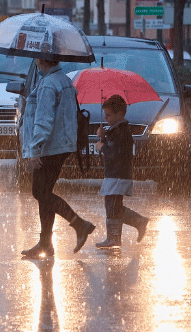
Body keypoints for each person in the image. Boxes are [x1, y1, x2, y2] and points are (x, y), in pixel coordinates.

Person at [19, 57, 96, 258]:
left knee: (40, 192)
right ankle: (45, 244)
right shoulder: (63, 80)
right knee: (44, 193)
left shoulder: (48, 84)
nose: (35, 61)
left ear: (41, 60)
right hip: (60, 145)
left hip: (49, 147)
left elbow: (44, 120)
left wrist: (34, 150)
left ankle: (79, 224)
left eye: (36, 58)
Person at [93, 94, 149, 249]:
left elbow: (115, 154)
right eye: (105, 115)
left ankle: (127, 229)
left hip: (118, 174)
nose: (106, 118)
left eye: (109, 115)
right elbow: (113, 151)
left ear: (120, 114)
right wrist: (103, 138)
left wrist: (102, 146)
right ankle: (116, 237)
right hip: (115, 174)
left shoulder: (121, 132)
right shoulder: (117, 130)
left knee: (113, 205)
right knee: (112, 204)